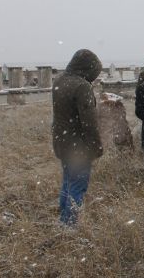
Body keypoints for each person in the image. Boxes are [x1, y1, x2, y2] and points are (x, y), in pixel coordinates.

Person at [52, 49, 103, 225]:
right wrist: (96, 147)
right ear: (87, 69)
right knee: (77, 186)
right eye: (93, 73)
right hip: (78, 147)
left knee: (67, 182)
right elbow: (90, 123)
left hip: (62, 142)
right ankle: (69, 226)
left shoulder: (59, 80)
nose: (94, 78)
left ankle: (63, 222)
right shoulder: (82, 87)